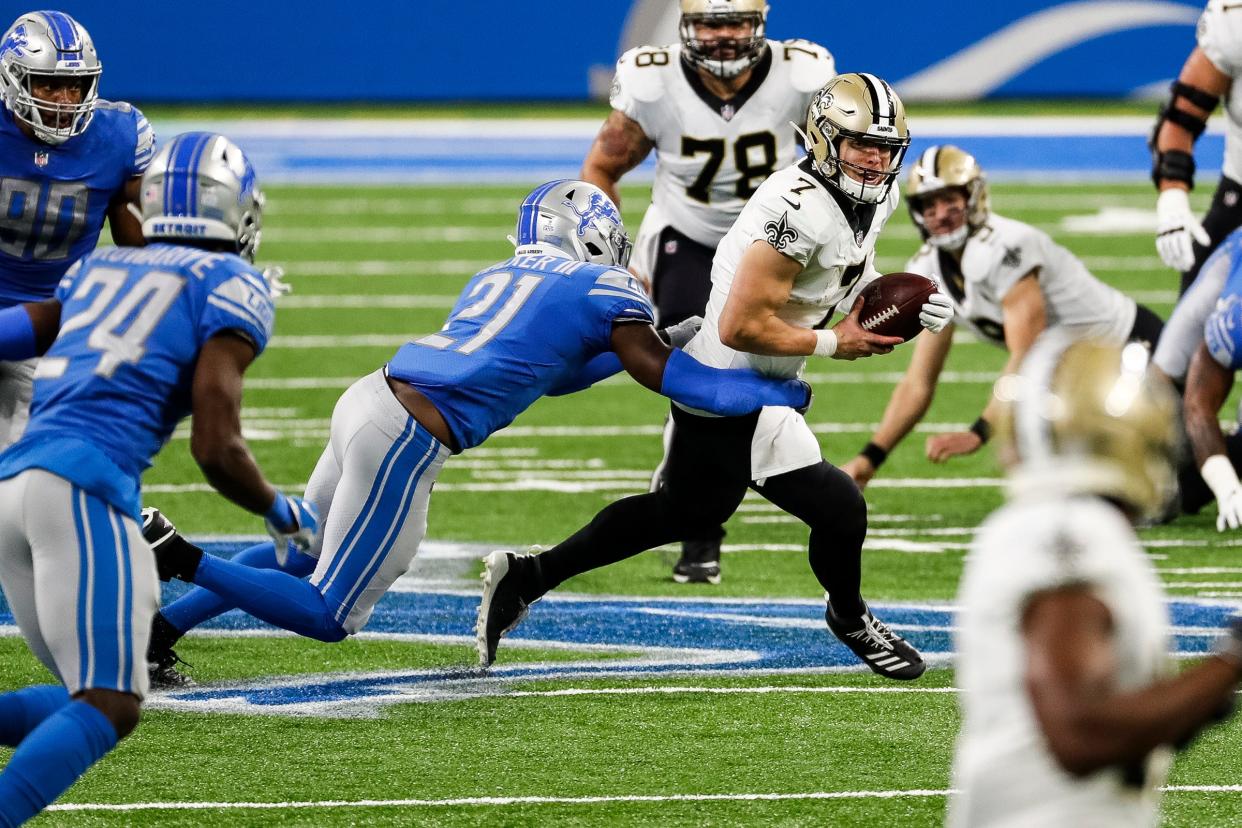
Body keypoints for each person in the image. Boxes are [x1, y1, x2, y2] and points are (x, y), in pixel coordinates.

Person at [139, 179, 812, 684]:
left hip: (368, 398)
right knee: (328, 615)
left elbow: (550, 374)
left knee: (301, 551)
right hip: (405, 434)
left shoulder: (498, 275)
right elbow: (677, 382)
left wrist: (659, 340)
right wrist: (771, 388)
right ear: (591, 232)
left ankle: (158, 630)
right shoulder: (602, 288)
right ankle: (180, 557)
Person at [477, 74, 953, 681]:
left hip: (760, 381)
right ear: (823, 138)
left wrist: (887, 297)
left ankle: (528, 577)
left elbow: (841, 268)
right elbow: (741, 326)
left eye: (888, 148)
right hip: (727, 382)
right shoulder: (794, 209)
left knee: (691, 512)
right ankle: (850, 616)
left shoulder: (870, 195)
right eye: (862, 144)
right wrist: (841, 340)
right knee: (833, 509)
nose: (877, 159)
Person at [0, 132, 314, 825]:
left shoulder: (101, 270)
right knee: (110, 704)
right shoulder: (232, 282)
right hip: (82, 489)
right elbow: (215, 445)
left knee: (102, 695)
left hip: (11, 490)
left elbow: (20, 331)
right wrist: (279, 508)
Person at [583, 0, 835, 584]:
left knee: (760, 372)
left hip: (773, 244)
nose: (724, 37)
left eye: (736, 24)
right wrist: (613, 257)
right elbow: (600, 170)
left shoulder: (803, 74)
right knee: (697, 380)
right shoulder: (654, 82)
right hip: (688, 239)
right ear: (686, 29)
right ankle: (700, 531)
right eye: (710, 24)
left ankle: (692, 497)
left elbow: (833, 159)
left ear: (760, 26)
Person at [949, 333, 1242, 826]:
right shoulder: (1069, 528)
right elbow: (1078, 733)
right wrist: (1232, 660)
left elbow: (1115, 721)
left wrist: (1198, 699)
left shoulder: (1059, 522)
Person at [841, 145, 1165, 487]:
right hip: (1074, 372)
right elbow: (919, 382)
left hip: (1131, 348)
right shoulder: (926, 271)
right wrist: (870, 458)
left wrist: (980, 432)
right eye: (928, 205)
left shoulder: (1008, 246)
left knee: (1172, 481)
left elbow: (1028, 353)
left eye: (950, 199)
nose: (940, 213)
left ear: (974, 196)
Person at [0, 11, 152, 451]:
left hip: (51, 327)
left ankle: (133, 516)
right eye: (48, 85)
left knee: (33, 467)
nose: (65, 100)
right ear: (13, 81)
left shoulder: (118, 137)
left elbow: (145, 247)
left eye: (76, 86)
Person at [1151, 0, 1242, 295]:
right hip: (1240, 194)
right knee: (1189, 328)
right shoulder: (1234, 20)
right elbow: (1179, 121)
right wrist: (1173, 196)